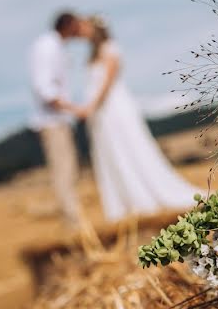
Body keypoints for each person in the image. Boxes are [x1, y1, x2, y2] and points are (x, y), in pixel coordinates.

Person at [71, 16, 198, 222]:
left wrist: (92, 106)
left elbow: (108, 81)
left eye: (86, 27)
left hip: (113, 108)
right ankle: (123, 201)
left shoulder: (109, 48)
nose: (83, 31)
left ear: (95, 28)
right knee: (111, 152)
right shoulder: (92, 53)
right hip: (100, 113)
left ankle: (140, 195)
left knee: (128, 148)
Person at [29, 11, 84, 229]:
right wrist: (73, 109)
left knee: (69, 169)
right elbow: (45, 88)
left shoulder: (55, 46)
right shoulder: (46, 46)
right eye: (77, 25)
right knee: (63, 171)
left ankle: (73, 218)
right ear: (68, 25)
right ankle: (72, 222)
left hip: (59, 119)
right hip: (52, 121)